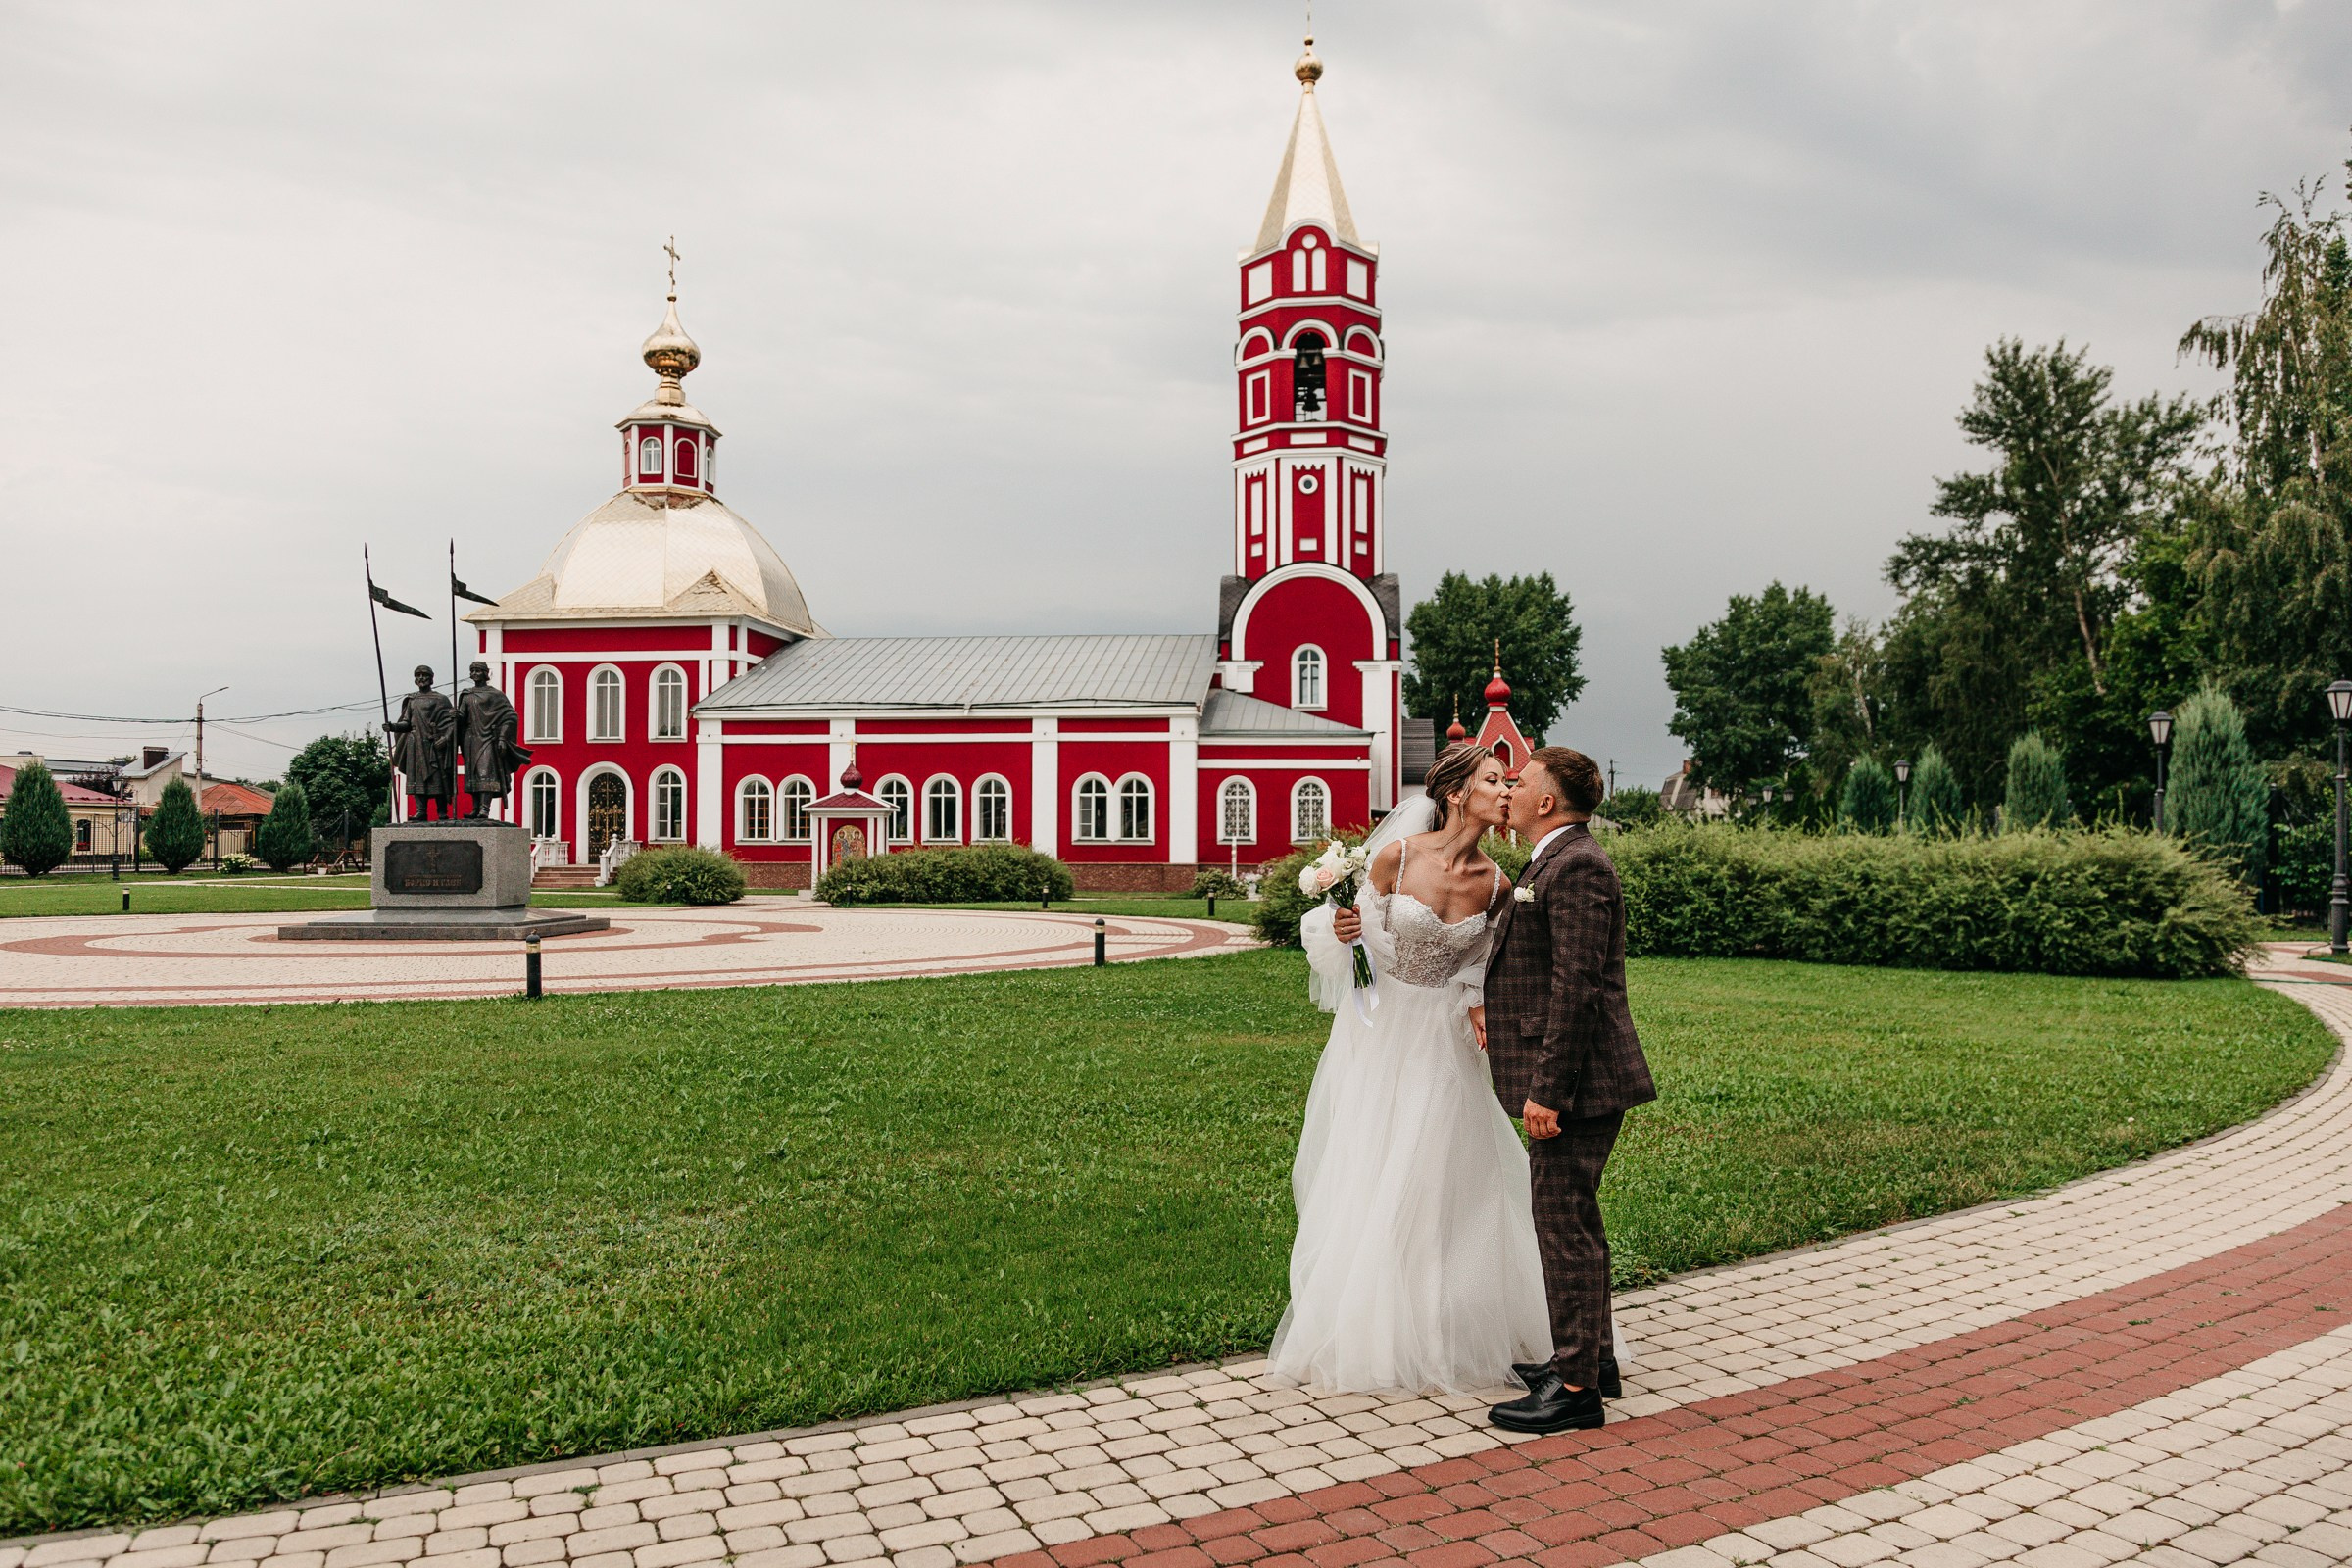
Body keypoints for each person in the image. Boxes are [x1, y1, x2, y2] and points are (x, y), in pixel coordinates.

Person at [1272, 745, 1550, 1394]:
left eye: (1507, 781)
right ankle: (1367, 1324)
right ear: (1456, 793)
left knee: (1442, 1165)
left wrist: (1479, 1007)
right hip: (1379, 1026)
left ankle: (1445, 1323)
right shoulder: (1398, 858)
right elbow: (1351, 930)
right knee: (1373, 1158)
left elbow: (1484, 969)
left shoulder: (1499, 885)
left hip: (1444, 1038)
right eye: (1492, 780)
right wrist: (1345, 929)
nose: (1505, 790)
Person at [1477, 746, 1656, 1434]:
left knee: (1563, 1228)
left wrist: (1547, 1090)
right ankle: (1594, 1358)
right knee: (1573, 1222)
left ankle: (1577, 1390)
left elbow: (1576, 989)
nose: (1511, 790)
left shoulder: (1577, 864)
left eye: (1520, 782)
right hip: (1571, 1079)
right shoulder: (1554, 857)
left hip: (1577, 1085)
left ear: (1548, 802)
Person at [454, 661, 531, 820]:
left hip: (488, 738)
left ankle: (484, 808)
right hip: (470, 739)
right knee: (472, 773)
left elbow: (511, 716)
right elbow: (462, 716)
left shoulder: (495, 694)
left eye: (478, 671)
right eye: (472, 670)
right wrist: (456, 716)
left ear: (486, 673)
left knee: (485, 772)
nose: (475, 673)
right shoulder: (467, 694)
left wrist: (502, 737)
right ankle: (476, 808)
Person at [384, 665, 455, 822]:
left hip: (432, 745)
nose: (421, 678)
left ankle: (442, 812)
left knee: (438, 778)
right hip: (415, 744)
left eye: (424, 675)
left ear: (431, 678)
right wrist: (393, 727)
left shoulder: (441, 699)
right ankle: (421, 811)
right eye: (418, 675)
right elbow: (406, 723)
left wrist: (445, 738)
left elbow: (451, 722)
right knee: (417, 779)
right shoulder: (412, 700)